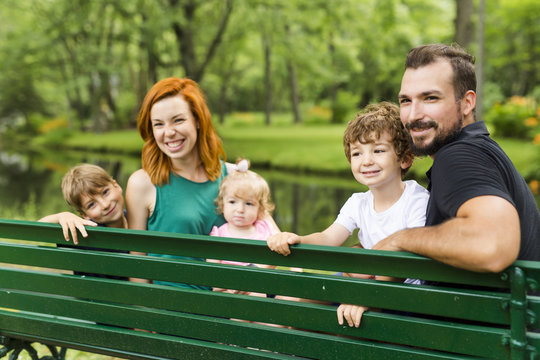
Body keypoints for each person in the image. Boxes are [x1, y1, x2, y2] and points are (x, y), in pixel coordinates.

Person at [373, 43, 540, 271]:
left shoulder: (459, 156)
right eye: (405, 101)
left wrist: (401, 239)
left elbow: (492, 245)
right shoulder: (479, 149)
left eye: (430, 98)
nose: (413, 115)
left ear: (467, 103)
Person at [267, 102, 430, 328]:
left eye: (378, 150)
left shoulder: (416, 200)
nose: (366, 161)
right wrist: (297, 239)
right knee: (293, 301)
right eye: (357, 153)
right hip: (364, 285)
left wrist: (365, 297)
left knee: (347, 322)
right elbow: (328, 239)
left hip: (404, 295)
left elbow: (408, 259)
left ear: (404, 159)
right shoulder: (358, 203)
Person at [125, 77, 277, 289]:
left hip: (237, 312)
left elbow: (275, 241)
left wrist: (250, 278)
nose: (168, 132)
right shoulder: (143, 183)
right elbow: (138, 267)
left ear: (197, 120)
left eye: (178, 120)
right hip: (175, 313)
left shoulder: (235, 176)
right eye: (158, 124)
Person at [39, 163, 128, 280]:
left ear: (116, 186)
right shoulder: (84, 233)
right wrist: (60, 216)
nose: (105, 205)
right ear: (84, 215)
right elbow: (35, 231)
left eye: (105, 192)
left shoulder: (143, 219)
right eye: (92, 204)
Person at [208, 158, 276, 297]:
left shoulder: (265, 229)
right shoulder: (219, 234)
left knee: (258, 294)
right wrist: (229, 286)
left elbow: (274, 260)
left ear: (260, 208)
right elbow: (213, 276)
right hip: (229, 293)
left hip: (258, 288)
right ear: (222, 205)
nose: (240, 209)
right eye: (232, 202)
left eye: (249, 204)